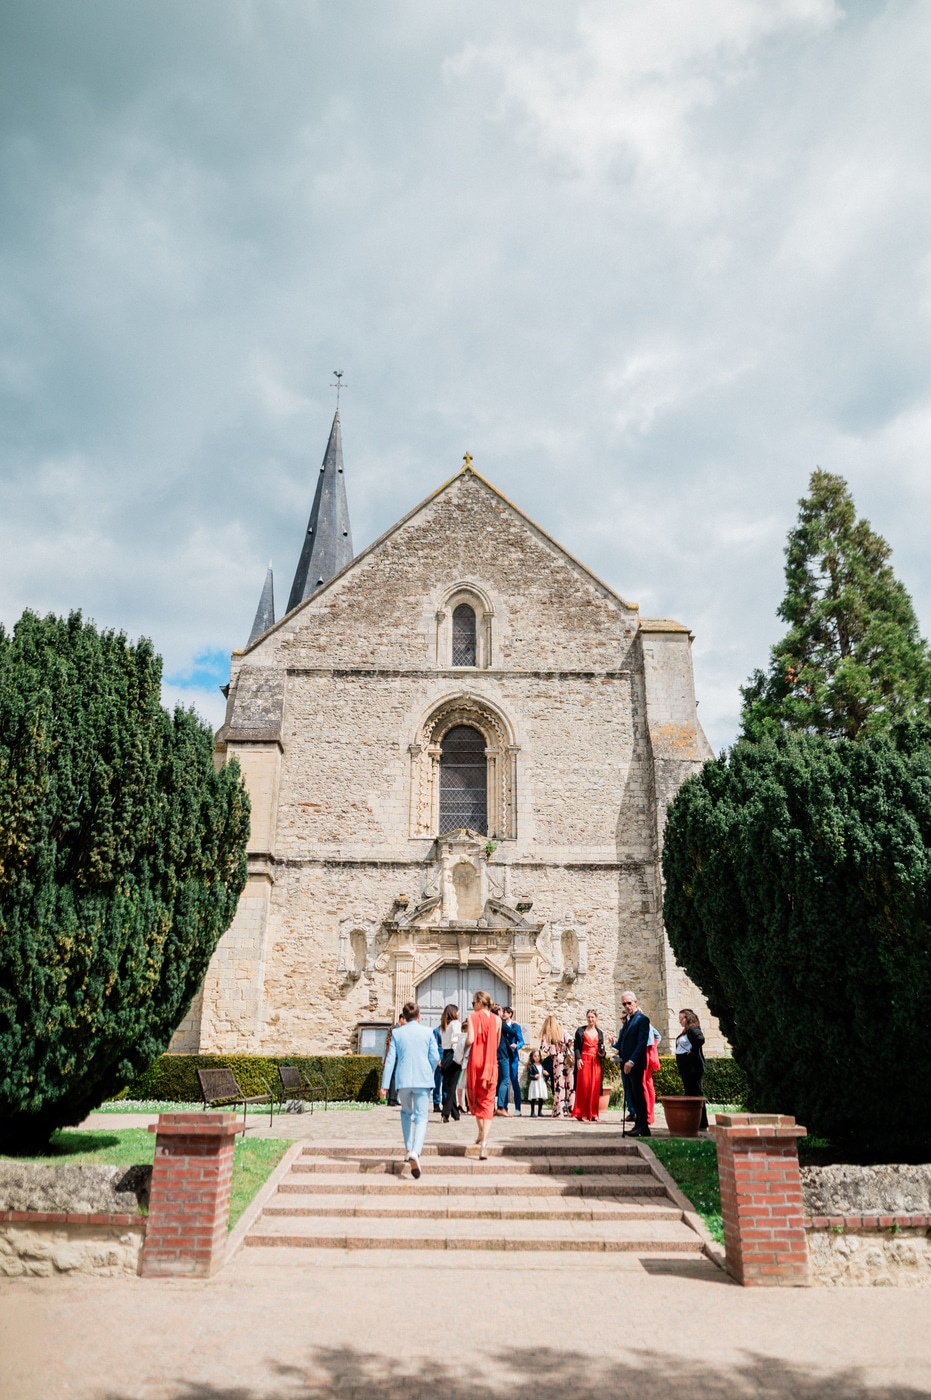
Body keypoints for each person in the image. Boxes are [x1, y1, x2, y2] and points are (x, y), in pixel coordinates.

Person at [379, 1000, 440, 1179]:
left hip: (403, 1079)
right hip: (422, 1079)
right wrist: (428, 1070)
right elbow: (435, 1056)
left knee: (406, 1113)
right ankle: (416, 1151)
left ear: (404, 1017)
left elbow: (390, 1060)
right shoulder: (428, 1032)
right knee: (422, 1117)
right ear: (419, 1016)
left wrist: (384, 1085)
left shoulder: (397, 1033)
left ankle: (408, 1147)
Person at [465, 989, 501, 1159]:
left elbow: (471, 1039)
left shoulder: (472, 1017)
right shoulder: (498, 1020)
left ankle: (480, 1132)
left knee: (475, 1098)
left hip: (476, 1062)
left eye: (474, 1003)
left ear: (480, 1002)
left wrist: (463, 1045)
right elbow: (497, 1042)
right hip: (490, 1063)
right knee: (487, 1102)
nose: (473, 1006)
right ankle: (484, 1141)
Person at [615, 990, 651, 1137]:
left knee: (638, 1094)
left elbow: (642, 1043)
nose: (627, 1006)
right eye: (624, 1004)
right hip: (625, 1063)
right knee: (633, 1094)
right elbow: (625, 1042)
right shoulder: (628, 1020)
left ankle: (643, 1126)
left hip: (634, 1064)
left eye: (629, 1003)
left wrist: (631, 1060)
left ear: (635, 1002)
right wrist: (620, 1055)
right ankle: (639, 1126)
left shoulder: (642, 1019)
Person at [676, 1007, 708, 1130]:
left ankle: (701, 1122)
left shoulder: (693, 1029)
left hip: (693, 1067)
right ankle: (693, 1121)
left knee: (695, 1093)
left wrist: (692, 1050)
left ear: (687, 1018)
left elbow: (700, 1039)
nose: (680, 1021)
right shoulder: (686, 1031)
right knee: (689, 1093)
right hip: (686, 1068)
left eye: (681, 1019)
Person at [571, 1009, 606, 1122]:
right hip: (584, 1060)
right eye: (589, 1017)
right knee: (584, 1087)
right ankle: (582, 1113)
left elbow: (602, 1049)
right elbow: (576, 1046)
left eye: (592, 1017)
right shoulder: (580, 1031)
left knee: (595, 1087)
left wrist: (603, 1053)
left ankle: (594, 1113)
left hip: (596, 1062)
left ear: (596, 1018)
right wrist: (578, 1058)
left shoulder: (600, 1033)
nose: (590, 1019)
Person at [540, 1015, 573, 1118]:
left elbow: (544, 1049)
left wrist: (553, 1048)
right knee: (570, 1085)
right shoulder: (564, 1031)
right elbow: (570, 1041)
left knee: (559, 1085)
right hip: (568, 1060)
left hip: (558, 1061)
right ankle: (571, 1109)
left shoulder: (548, 1035)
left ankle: (559, 1110)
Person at [496, 1006, 524, 1115]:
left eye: (506, 1012)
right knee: (504, 1081)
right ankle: (504, 1107)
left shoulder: (515, 1026)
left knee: (514, 1080)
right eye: (503, 1012)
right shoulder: (500, 1025)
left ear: (510, 1014)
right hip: (503, 1055)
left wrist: (516, 1046)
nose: (503, 1014)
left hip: (513, 1057)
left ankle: (518, 1108)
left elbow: (521, 1041)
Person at [439, 1002, 462, 1122]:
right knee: (452, 1086)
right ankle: (446, 1112)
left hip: (445, 1054)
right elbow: (456, 1041)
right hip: (453, 1054)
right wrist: (459, 1057)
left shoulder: (444, 1025)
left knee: (449, 1084)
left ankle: (455, 1114)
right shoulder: (455, 1024)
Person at [383, 1012, 405, 1107]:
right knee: (394, 1076)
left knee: (396, 1076)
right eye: (405, 1019)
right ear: (401, 1019)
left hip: (396, 1055)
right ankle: (392, 1098)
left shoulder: (396, 1029)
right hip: (395, 1055)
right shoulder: (396, 1029)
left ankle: (394, 1097)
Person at [643, 1026, 661, 1127]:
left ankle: (647, 1115)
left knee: (645, 1085)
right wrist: (653, 1047)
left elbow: (658, 1037)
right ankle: (649, 1115)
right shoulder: (647, 1024)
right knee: (648, 1084)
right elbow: (658, 1036)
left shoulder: (642, 1023)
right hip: (648, 1052)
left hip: (644, 1053)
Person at [526, 1049, 547, 1117]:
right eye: (535, 1056)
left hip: (541, 1083)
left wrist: (545, 1074)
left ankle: (539, 1111)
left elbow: (543, 1073)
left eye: (538, 1056)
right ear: (532, 1057)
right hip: (535, 1083)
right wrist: (534, 1076)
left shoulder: (541, 1065)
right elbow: (529, 1075)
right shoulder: (532, 1066)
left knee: (541, 1097)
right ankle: (532, 1111)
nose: (537, 1057)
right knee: (534, 1097)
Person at [432, 1022, 444, 1113]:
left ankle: (445, 1102)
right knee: (437, 1081)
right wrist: (437, 1059)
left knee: (446, 1083)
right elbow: (434, 1046)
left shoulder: (449, 1030)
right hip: (439, 1059)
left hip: (448, 1059)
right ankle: (436, 1103)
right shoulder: (436, 1031)